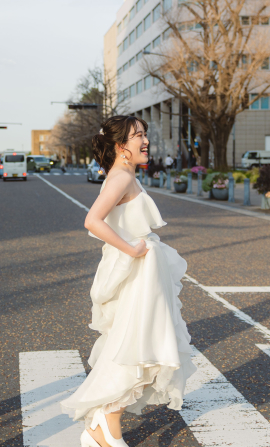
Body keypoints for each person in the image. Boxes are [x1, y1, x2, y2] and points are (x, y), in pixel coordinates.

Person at [61, 115, 195, 447]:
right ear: (121, 146)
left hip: (141, 273)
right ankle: (104, 429)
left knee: (135, 345)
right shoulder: (120, 177)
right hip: (135, 273)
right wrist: (132, 250)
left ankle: (103, 428)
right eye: (138, 136)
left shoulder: (124, 175)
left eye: (145, 134)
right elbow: (92, 220)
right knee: (134, 348)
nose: (145, 141)